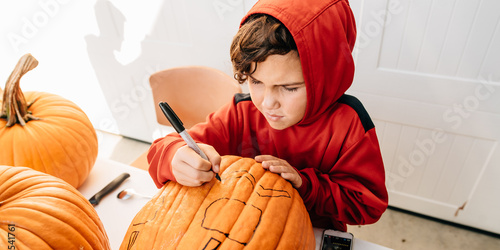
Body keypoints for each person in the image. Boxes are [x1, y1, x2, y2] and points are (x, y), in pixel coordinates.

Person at [147, 0, 388, 231]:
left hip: (312, 238)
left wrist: (306, 186)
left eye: (289, 87)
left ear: (327, 77)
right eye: (256, 81)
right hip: (243, 230)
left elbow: (367, 205)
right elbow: (161, 149)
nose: (267, 102)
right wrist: (174, 157)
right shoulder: (242, 111)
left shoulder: (349, 125)